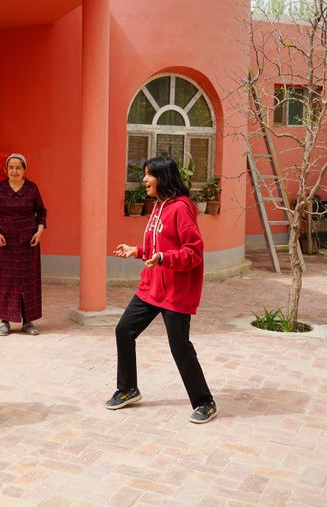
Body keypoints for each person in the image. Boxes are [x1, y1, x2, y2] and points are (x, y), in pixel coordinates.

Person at [106, 156, 217, 424]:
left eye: (149, 174)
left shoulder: (181, 208)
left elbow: (193, 252)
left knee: (179, 346)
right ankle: (128, 388)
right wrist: (137, 251)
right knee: (124, 330)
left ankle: (205, 402)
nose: (144, 179)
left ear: (163, 178)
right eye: (145, 174)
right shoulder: (159, 206)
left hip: (175, 292)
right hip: (151, 287)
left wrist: (164, 258)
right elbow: (158, 246)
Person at [0, 153, 47, 336]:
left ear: (24, 170)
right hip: (6, 243)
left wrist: (39, 232)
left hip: (29, 242)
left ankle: (28, 321)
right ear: (7, 169)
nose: (14, 171)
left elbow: (41, 212)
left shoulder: (32, 188)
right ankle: (4, 322)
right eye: (11, 167)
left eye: (18, 167)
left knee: (29, 281)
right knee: (6, 281)